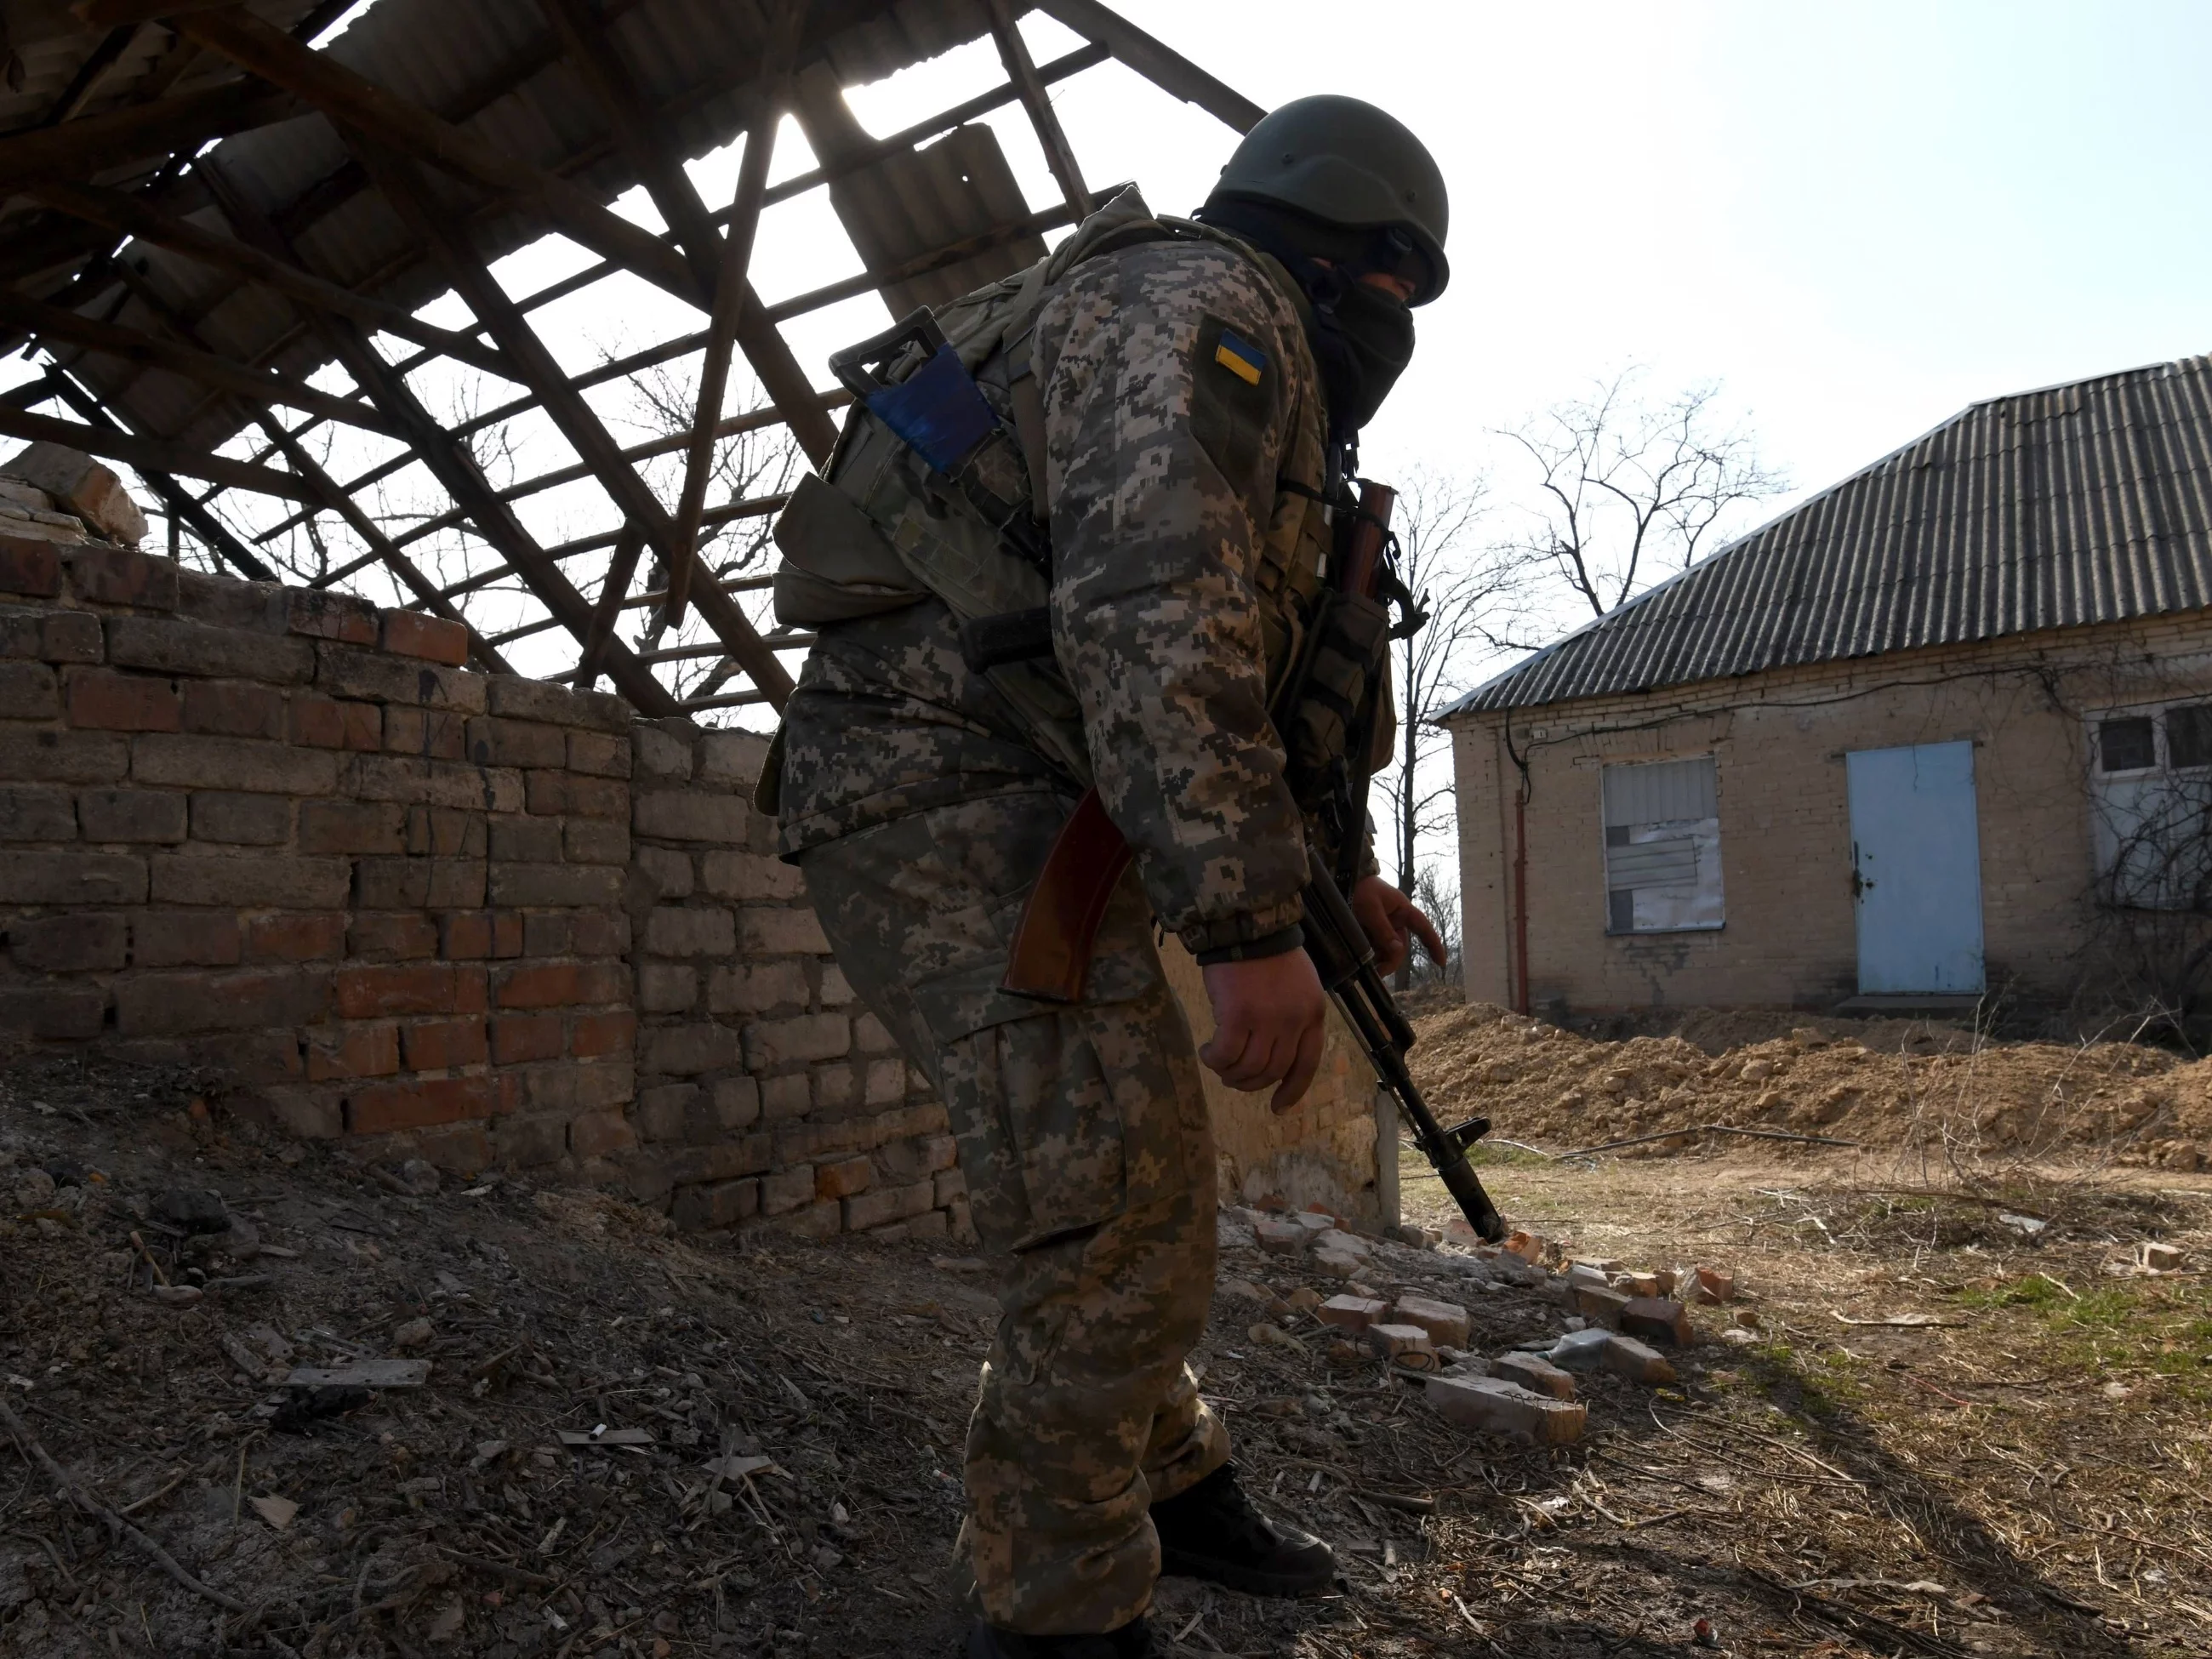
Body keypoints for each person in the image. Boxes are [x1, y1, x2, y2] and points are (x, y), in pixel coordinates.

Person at [761, 94, 1451, 1659]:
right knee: (1114, 1213)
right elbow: (1152, 615)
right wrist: (1247, 925)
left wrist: (1339, 878)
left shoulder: (1219, 328)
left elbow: (1268, 678)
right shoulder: (1199, 307)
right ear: (1358, 255)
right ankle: (1058, 1606)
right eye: (1406, 290)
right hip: (947, 799)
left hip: (1017, 794)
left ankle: (1175, 1479)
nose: (1405, 330)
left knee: (1128, 1189)